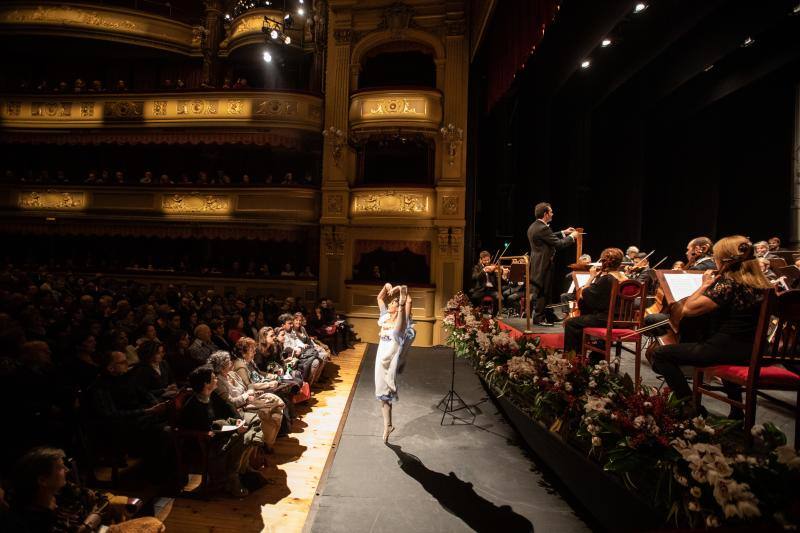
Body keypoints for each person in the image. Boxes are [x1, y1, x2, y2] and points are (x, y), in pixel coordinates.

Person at [650, 236, 772, 418]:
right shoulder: (764, 286)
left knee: (660, 354)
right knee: (721, 344)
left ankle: (690, 406)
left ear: (724, 260)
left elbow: (689, 309)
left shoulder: (728, 284)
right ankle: (737, 412)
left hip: (727, 349)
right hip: (757, 350)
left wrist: (704, 285)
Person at [562, 248, 624, 354]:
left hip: (605, 320)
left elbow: (583, 294)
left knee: (571, 323)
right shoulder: (625, 278)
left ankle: (573, 357)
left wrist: (591, 277)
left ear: (604, 262)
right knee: (586, 317)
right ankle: (597, 355)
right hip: (623, 320)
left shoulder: (607, 279)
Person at [527, 202, 576, 325]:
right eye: (551, 212)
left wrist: (563, 232)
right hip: (543, 263)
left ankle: (549, 315)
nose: (552, 214)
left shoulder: (534, 226)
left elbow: (549, 236)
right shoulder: (543, 228)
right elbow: (559, 244)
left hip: (538, 262)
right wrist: (572, 237)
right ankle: (538, 318)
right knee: (543, 290)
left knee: (547, 290)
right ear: (546, 214)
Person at [374, 283, 411, 443]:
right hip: (381, 357)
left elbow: (409, 300)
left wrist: (400, 290)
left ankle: (401, 304)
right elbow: (380, 298)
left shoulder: (399, 321)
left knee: (399, 328)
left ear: (396, 308)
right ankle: (387, 425)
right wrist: (386, 286)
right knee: (382, 392)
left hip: (393, 352)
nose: (389, 305)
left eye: (393, 303)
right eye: (390, 303)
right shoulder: (384, 317)